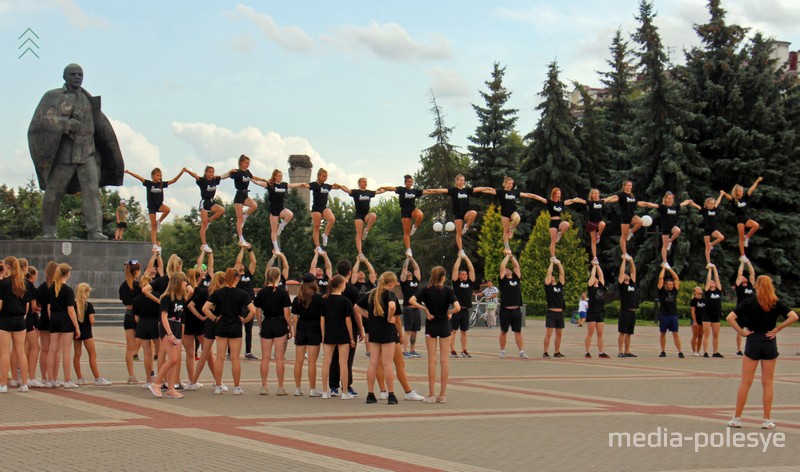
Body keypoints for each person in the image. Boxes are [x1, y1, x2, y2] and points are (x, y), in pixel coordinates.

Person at [28, 63, 124, 240]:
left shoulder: (88, 99)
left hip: (87, 154)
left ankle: (95, 231)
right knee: (54, 192)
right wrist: (65, 124)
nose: (77, 77)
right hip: (65, 155)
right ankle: (49, 231)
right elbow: (40, 122)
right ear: (64, 77)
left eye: (80, 74)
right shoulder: (53, 96)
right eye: (73, 74)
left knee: (92, 192)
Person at [726, 276, 797, 429]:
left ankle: (737, 419)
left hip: (753, 341)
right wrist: (778, 329)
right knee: (768, 383)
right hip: (769, 341)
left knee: (746, 382)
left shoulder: (749, 302)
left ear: (757, 286)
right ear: (770, 286)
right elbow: (794, 316)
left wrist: (742, 332)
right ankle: (766, 420)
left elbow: (730, 318)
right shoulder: (775, 302)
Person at [409, 266, 460, 404]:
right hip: (444, 325)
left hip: (431, 325)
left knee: (432, 360)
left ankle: (431, 394)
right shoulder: (448, 290)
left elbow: (411, 300)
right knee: (444, 360)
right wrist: (449, 313)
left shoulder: (426, 290)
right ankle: (442, 395)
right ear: (443, 277)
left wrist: (425, 308)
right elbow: (458, 307)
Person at [204, 268, 256, 395]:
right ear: (236, 279)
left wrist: (215, 318)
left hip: (221, 326)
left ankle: (218, 386)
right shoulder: (242, 294)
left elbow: (205, 308)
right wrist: (244, 320)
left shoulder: (217, 293)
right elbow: (253, 311)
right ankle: (237, 387)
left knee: (220, 357)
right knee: (235, 358)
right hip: (235, 327)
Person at [357, 272, 401, 405]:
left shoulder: (372, 293)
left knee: (373, 363)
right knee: (387, 363)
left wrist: (368, 316)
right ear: (391, 283)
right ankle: (391, 395)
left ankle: (370, 394)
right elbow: (392, 306)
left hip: (374, 330)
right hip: (387, 331)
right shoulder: (390, 294)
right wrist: (389, 317)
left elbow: (356, 307)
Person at [425, 175, 493, 256]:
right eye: (460, 180)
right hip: (458, 215)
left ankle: (466, 226)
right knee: (458, 233)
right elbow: (443, 190)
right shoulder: (454, 190)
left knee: (474, 213)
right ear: (457, 181)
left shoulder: (467, 190)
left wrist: (487, 188)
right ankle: (461, 251)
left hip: (465, 214)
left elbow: (477, 189)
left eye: (463, 180)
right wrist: (433, 190)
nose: (462, 182)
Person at [148, 272, 189, 399]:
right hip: (168, 327)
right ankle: (157, 383)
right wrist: (170, 334)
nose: (186, 284)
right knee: (173, 359)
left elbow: (181, 315)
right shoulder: (166, 297)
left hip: (177, 326)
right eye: (184, 281)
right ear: (177, 282)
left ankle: (171, 388)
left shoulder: (181, 297)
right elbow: (164, 317)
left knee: (175, 360)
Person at [125, 167, 185, 252]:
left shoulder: (161, 184)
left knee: (167, 209)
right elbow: (139, 177)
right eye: (157, 175)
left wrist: (181, 173)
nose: (159, 177)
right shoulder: (149, 183)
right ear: (153, 176)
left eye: (160, 176)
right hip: (152, 207)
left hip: (159, 205)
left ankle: (159, 221)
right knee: (153, 226)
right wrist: (129, 172)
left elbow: (173, 180)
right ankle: (154, 244)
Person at [254, 267, 292, 396]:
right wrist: (290, 327)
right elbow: (287, 312)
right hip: (280, 324)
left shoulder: (261, 292)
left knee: (265, 357)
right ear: (278, 277)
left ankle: (264, 386)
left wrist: (260, 325)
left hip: (267, 323)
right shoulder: (282, 293)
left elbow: (258, 312)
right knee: (280, 358)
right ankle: (280, 387)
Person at [330, 260, 365, 397]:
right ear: (350, 273)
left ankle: (333, 386)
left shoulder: (330, 288)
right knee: (347, 359)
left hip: (332, 326)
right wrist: (361, 329)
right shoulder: (353, 290)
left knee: (333, 358)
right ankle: (347, 385)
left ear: (337, 271)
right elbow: (356, 312)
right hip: (349, 328)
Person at [320, 275, 356, 400]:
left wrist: (323, 334)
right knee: (343, 363)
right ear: (341, 285)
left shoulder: (325, 300)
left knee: (327, 362)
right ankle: (345, 392)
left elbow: (322, 319)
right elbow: (348, 321)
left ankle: (325, 391)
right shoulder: (345, 301)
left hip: (329, 333)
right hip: (342, 334)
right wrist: (351, 337)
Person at [183, 166, 232, 253]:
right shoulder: (203, 181)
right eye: (209, 172)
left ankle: (210, 220)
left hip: (211, 202)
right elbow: (195, 176)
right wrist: (187, 171)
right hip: (204, 202)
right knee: (203, 224)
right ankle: (204, 244)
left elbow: (224, 176)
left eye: (212, 172)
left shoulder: (214, 179)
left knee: (222, 210)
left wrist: (231, 171)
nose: (211, 174)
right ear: (206, 173)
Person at [188, 272, 224, 391]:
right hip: (215, 323)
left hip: (207, 323)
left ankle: (194, 381)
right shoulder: (220, 294)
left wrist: (201, 316)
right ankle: (217, 381)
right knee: (216, 355)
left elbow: (191, 305)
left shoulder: (205, 291)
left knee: (205, 354)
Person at [0, 257, 31, 393]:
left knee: (4, 353)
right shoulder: (24, 283)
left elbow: (0, 303)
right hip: (20, 319)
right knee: (21, 352)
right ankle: (24, 383)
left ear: (7, 267)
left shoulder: (4, 283)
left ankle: (3, 384)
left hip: (5, 319)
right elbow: (27, 305)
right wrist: (23, 316)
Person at [46, 263, 80, 388]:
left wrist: (53, 319)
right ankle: (67, 380)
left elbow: (48, 308)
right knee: (66, 351)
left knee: (52, 349)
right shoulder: (68, 290)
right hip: (65, 320)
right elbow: (71, 310)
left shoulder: (51, 289)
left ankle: (50, 379)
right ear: (67, 274)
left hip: (54, 318)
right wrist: (76, 326)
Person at [293, 168, 342, 254]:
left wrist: (340, 186)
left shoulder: (327, 186)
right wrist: (296, 185)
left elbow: (337, 187)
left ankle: (325, 234)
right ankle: (318, 246)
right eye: (323, 176)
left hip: (324, 207)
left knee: (332, 219)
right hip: (316, 208)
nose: (325, 178)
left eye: (326, 176)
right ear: (319, 176)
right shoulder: (314, 184)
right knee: (316, 227)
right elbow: (306, 185)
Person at [379, 175, 429, 257]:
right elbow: (392, 188)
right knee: (406, 232)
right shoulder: (402, 189)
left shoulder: (415, 191)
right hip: (405, 211)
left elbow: (427, 191)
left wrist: (439, 191)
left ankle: (415, 227)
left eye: (411, 182)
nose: (410, 183)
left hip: (412, 209)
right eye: (409, 182)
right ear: (405, 183)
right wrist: (382, 187)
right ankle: (408, 249)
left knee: (420, 215)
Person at [72, 283, 111, 386]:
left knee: (77, 354)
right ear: (86, 293)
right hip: (87, 332)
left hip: (76, 332)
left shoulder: (73, 304)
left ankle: (80, 377)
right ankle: (97, 378)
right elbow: (91, 320)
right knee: (92, 354)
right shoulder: (88, 305)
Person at [291, 273, 324, 397]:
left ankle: (298, 388)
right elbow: (322, 318)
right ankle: (312, 389)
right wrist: (323, 332)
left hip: (301, 330)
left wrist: (295, 332)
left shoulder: (297, 299)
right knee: (312, 362)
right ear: (314, 283)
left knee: (298, 361)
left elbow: (295, 318)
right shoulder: (319, 298)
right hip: (315, 330)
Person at [339, 178, 386, 256]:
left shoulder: (369, 192)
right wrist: (340, 186)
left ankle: (366, 230)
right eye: (363, 182)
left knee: (374, 215)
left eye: (366, 182)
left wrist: (386, 189)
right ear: (359, 183)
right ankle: (360, 252)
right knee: (359, 234)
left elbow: (379, 192)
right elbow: (347, 190)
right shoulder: (356, 192)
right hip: (359, 215)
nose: (365, 183)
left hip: (366, 214)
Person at [489, 176, 538, 250]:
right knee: (505, 231)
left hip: (513, 212)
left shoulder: (514, 192)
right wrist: (479, 189)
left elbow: (526, 195)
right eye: (509, 183)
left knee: (517, 218)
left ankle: (511, 229)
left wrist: (533, 196)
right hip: (505, 214)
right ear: (505, 184)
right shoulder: (501, 192)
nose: (511, 185)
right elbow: (490, 191)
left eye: (512, 184)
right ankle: (506, 247)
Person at [229, 154, 266, 248]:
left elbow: (253, 177)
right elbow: (229, 175)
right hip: (239, 196)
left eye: (248, 163)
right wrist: (230, 171)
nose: (247, 165)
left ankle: (245, 216)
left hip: (245, 195)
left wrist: (264, 179)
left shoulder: (247, 172)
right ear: (241, 163)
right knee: (239, 218)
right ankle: (241, 239)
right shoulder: (237, 172)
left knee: (254, 205)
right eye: (246, 163)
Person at [264, 169, 305, 254]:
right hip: (273, 210)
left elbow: (292, 185)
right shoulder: (270, 184)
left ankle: (281, 226)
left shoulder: (283, 185)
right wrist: (251, 179)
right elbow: (260, 183)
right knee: (274, 231)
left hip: (281, 208)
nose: (281, 177)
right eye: (279, 176)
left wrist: (301, 184)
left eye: (281, 176)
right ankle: (276, 248)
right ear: (275, 176)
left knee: (290, 214)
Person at [722, 177, 763, 259]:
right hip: (740, 220)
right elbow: (728, 197)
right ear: (736, 192)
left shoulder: (745, 198)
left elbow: (751, 189)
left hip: (746, 218)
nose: (741, 192)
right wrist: (723, 193)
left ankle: (747, 237)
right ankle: (743, 255)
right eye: (739, 191)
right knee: (740, 238)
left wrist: (757, 181)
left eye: (742, 191)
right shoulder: (734, 200)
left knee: (756, 225)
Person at [616, 180, 659, 260]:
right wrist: (604, 200)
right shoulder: (621, 195)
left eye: (631, 185)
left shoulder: (633, 196)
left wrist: (656, 205)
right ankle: (624, 253)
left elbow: (642, 203)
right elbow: (613, 198)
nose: (630, 187)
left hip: (632, 216)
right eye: (628, 185)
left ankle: (631, 232)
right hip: (625, 217)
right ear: (624, 186)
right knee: (623, 236)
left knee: (640, 221)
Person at [498, 251, 527, 359]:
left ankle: (521, 351)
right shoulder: (503, 280)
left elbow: (516, 266)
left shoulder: (516, 278)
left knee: (518, 332)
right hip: (505, 310)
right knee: (504, 331)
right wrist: (506, 256)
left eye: (508, 268)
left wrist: (511, 256)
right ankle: (502, 351)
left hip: (516, 310)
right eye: (506, 269)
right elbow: (502, 266)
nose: (508, 269)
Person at [133, 274, 160, 390]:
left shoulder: (137, 299)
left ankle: (148, 380)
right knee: (160, 353)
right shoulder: (157, 296)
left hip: (143, 324)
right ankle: (161, 379)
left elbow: (136, 318)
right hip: (155, 324)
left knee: (146, 353)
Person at [685, 192, 726, 266]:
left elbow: (718, 202)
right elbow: (697, 207)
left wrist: (721, 194)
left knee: (721, 237)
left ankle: (711, 244)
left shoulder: (714, 209)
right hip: (707, 229)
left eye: (713, 204)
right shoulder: (704, 210)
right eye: (710, 204)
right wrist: (692, 203)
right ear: (707, 204)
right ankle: (708, 262)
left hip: (713, 229)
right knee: (707, 247)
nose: (712, 205)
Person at [119, 259, 143, 384]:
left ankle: (131, 375)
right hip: (138, 315)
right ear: (136, 272)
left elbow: (124, 301)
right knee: (146, 345)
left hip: (128, 315)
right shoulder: (138, 285)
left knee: (129, 347)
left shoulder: (123, 286)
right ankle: (151, 374)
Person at [35, 261, 57, 387]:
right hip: (55, 320)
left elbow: (38, 305)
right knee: (54, 350)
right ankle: (52, 377)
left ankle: (44, 377)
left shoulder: (42, 287)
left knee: (44, 349)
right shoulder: (57, 287)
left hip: (43, 319)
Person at [657, 192, 693, 267]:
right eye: (669, 198)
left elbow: (683, 203)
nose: (670, 200)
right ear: (665, 199)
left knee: (678, 230)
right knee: (664, 245)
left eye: (672, 198)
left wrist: (688, 201)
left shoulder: (675, 207)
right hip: (665, 228)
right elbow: (653, 205)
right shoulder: (663, 207)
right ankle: (665, 262)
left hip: (672, 226)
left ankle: (670, 240)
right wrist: (644, 203)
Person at [450, 254, 475, 358]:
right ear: (460, 276)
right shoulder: (456, 283)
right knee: (454, 331)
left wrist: (466, 258)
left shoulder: (470, 282)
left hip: (465, 310)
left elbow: (471, 270)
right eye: (463, 274)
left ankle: (464, 350)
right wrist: (460, 257)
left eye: (466, 275)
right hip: (457, 310)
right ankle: (452, 350)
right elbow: (455, 269)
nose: (465, 276)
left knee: (464, 331)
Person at [235, 246, 258, 360]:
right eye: (239, 265)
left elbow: (254, 261)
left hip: (249, 304)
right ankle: (231, 351)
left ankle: (248, 352)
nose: (241, 265)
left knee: (248, 330)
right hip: (238, 304)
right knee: (236, 329)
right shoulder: (236, 276)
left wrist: (250, 249)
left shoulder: (248, 274)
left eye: (242, 265)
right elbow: (238, 261)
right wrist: (242, 249)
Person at [585, 189, 619, 263]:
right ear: (592, 195)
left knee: (603, 224)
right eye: (595, 193)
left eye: (597, 193)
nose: (596, 195)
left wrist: (614, 196)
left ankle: (598, 234)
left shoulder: (601, 201)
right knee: (593, 241)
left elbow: (607, 199)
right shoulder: (590, 202)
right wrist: (573, 200)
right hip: (592, 223)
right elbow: (581, 201)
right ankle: (594, 257)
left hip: (599, 222)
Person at [657, 264, 684, 358]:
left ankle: (680, 352)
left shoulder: (674, 291)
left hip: (673, 315)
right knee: (662, 333)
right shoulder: (661, 291)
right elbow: (660, 278)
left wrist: (669, 269)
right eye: (669, 285)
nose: (671, 286)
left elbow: (676, 279)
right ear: (665, 285)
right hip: (664, 315)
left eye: (672, 285)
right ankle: (663, 351)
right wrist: (664, 268)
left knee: (675, 333)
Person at [24, 265, 44, 388]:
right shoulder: (30, 286)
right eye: (35, 275)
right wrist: (39, 308)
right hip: (29, 319)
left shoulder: (19, 283)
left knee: (23, 348)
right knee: (35, 347)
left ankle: (18, 375)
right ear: (32, 275)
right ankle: (31, 376)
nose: (36, 277)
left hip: (22, 319)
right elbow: (32, 306)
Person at [585, 262, 609, 358]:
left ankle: (601, 352)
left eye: (596, 278)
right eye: (594, 278)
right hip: (592, 312)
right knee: (590, 333)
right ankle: (587, 352)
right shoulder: (591, 288)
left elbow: (601, 275)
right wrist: (594, 266)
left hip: (600, 312)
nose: (596, 278)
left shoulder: (601, 287)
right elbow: (592, 276)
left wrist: (598, 265)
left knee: (600, 333)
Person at [543, 259, 566, 359]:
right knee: (549, 333)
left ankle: (557, 352)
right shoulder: (548, 287)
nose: (552, 277)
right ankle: (545, 352)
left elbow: (562, 275)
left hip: (559, 313)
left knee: (559, 333)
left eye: (553, 276)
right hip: (551, 312)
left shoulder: (559, 286)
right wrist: (552, 262)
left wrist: (559, 263)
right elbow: (548, 274)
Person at [352, 255, 376, 349]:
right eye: (359, 272)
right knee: (357, 331)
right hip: (357, 310)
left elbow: (372, 272)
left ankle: (368, 351)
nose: (361, 273)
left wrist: (366, 261)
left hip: (367, 311)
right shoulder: (355, 283)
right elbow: (354, 272)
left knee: (368, 332)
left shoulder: (369, 283)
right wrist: (358, 260)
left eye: (362, 272)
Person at [734, 259, 756, 356]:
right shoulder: (739, 287)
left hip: (751, 311)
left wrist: (748, 262)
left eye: (744, 277)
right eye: (742, 277)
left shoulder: (750, 285)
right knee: (740, 329)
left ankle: (750, 347)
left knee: (751, 329)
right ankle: (739, 350)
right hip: (741, 310)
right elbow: (739, 274)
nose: (743, 277)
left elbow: (752, 274)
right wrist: (742, 262)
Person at [617, 256, 638, 357]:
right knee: (622, 332)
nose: (627, 275)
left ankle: (627, 351)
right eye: (625, 274)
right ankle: (620, 352)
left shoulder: (632, 284)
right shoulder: (622, 285)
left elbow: (633, 272)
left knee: (629, 333)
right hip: (624, 311)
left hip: (632, 311)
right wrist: (624, 260)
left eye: (627, 274)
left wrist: (631, 260)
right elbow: (621, 273)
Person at [703, 264, 724, 358]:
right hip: (707, 315)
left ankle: (715, 352)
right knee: (706, 334)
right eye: (711, 282)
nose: (712, 282)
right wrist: (710, 269)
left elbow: (717, 279)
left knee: (716, 334)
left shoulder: (718, 291)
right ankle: (705, 352)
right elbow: (708, 280)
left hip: (716, 315)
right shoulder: (707, 291)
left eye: (713, 282)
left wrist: (715, 268)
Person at [689, 287, 706, 358]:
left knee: (700, 336)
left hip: (702, 320)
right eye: (697, 289)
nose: (700, 290)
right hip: (696, 320)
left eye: (700, 289)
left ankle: (698, 351)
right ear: (694, 292)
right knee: (695, 335)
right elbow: (693, 312)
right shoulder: (693, 301)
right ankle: (694, 351)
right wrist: (695, 321)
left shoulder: (704, 300)